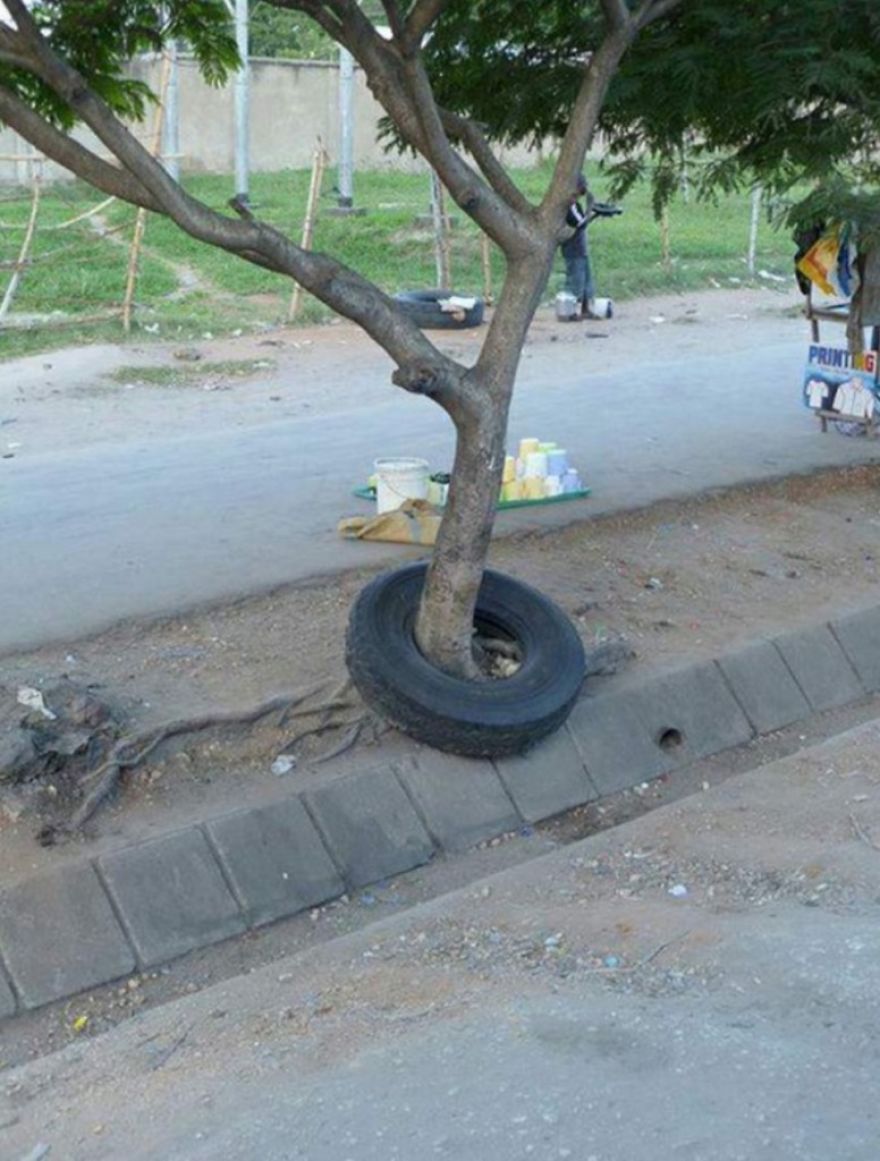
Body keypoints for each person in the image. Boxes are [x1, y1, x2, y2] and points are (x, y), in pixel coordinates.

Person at [561, 173, 596, 320]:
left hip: (580, 248)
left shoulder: (576, 205)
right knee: (575, 281)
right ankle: (570, 312)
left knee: (586, 280)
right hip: (573, 248)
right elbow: (580, 223)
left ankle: (585, 308)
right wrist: (590, 209)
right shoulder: (570, 207)